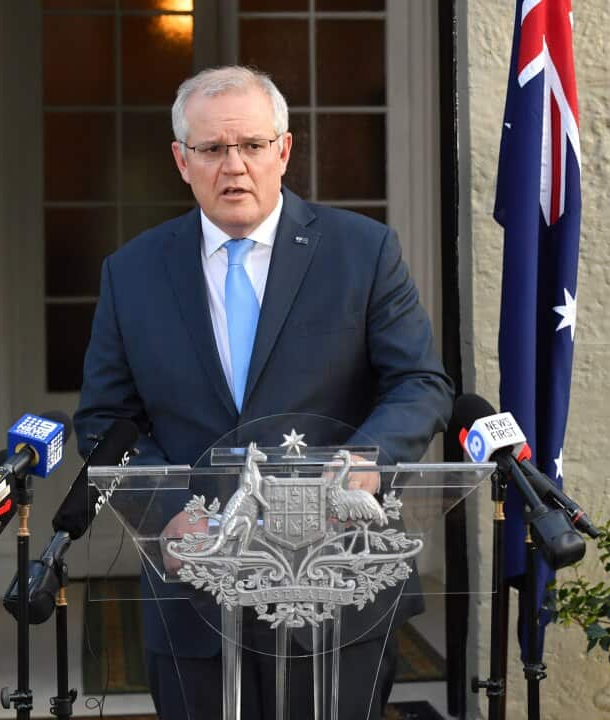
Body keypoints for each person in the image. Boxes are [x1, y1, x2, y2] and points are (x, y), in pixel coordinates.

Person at [74, 65, 453, 720]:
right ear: (181, 161)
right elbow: (105, 421)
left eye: (251, 145)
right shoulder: (131, 271)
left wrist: (368, 460)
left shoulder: (363, 251)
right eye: (213, 149)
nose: (234, 166)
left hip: (341, 575)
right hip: (194, 581)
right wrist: (167, 512)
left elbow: (420, 382)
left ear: (284, 149)